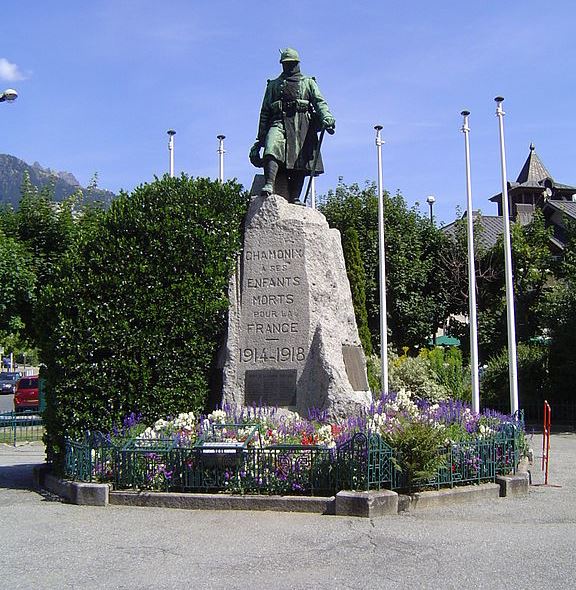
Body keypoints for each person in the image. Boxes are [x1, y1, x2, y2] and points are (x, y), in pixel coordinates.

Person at [249, 48, 335, 203]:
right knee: (272, 145)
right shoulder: (273, 85)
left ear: (298, 63)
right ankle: (269, 184)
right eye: (286, 64)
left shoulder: (308, 82)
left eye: (292, 63)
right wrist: (260, 140)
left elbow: (320, 102)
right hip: (279, 121)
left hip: (301, 124)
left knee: (299, 160)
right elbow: (264, 112)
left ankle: (295, 196)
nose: (290, 66)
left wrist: (327, 117)